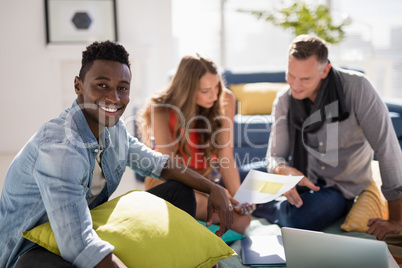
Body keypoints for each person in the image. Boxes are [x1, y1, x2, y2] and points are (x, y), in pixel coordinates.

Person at [0, 41, 233, 268]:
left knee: (179, 192)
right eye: (102, 85)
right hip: (30, 251)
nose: (114, 97)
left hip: (88, 227)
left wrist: (212, 188)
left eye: (122, 87)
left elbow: (160, 164)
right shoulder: (60, 147)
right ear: (78, 86)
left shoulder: (115, 130)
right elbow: (78, 245)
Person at [252, 35, 402, 240]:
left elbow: (388, 149)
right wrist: (283, 170)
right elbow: (275, 156)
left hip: (339, 188)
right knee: (233, 176)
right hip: (302, 175)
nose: (295, 85)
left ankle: (258, 203)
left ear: (325, 71)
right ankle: (256, 199)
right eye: (291, 75)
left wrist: (396, 220)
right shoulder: (285, 99)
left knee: (297, 220)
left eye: (305, 79)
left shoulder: (358, 89)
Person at [138, 54, 255, 234]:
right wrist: (213, 192)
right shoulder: (160, 108)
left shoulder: (225, 99)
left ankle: (192, 232)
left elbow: (225, 156)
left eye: (217, 86)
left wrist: (239, 199)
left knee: (242, 221)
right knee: (223, 215)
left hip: (204, 182)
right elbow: (169, 167)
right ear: (188, 89)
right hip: (170, 182)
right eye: (205, 90)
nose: (214, 95)